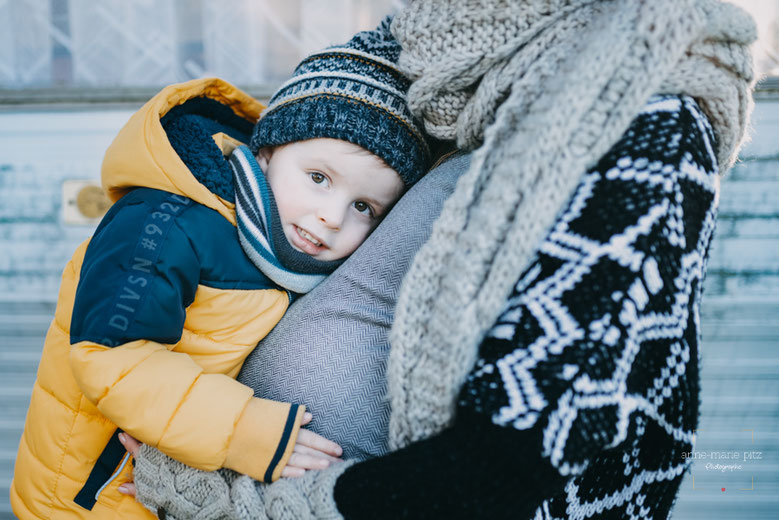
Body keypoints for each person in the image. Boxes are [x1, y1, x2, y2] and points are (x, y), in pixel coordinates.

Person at [119, 0, 758, 519]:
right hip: (202, 438)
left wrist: (226, 501)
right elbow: (340, 103)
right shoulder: (474, 50)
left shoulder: (649, 130)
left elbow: (499, 469)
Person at [10, 19, 431, 520]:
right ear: (267, 151)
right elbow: (112, 354)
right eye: (319, 178)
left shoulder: (283, 251)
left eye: (364, 206)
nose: (333, 216)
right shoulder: (168, 222)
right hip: (88, 498)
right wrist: (245, 431)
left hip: (170, 491)